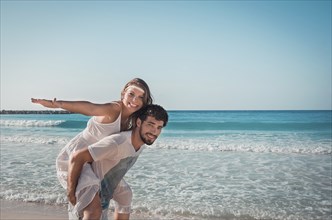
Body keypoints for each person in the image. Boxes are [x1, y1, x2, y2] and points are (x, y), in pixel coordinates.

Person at [31, 78, 153, 220]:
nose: (135, 100)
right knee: (93, 209)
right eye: (131, 94)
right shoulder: (114, 109)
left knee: (124, 195)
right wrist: (57, 104)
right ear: (124, 93)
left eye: (140, 97)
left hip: (95, 161)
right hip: (77, 157)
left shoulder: (134, 118)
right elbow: (90, 107)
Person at [68, 104, 168, 220]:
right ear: (139, 123)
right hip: (88, 183)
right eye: (150, 125)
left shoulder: (140, 144)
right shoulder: (117, 143)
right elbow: (77, 157)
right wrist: (70, 192)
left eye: (159, 127)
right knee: (95, 212)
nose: (154, 131)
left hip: (105, 186)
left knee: (126, 195)